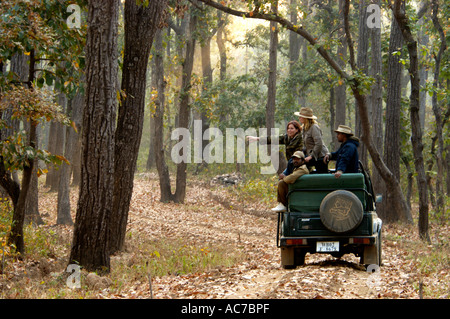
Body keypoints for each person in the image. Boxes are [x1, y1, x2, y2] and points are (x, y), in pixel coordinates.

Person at [295, 107, 329, 173]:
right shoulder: (305, 128)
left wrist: (311, 156)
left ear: (306, 118)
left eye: (301, 117)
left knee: (322, 177)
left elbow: (319, 144)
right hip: (311, 155)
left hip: (320, 156)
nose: (299, 118)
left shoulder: (314, 127)